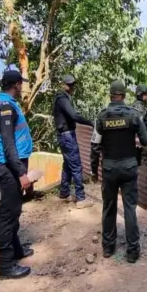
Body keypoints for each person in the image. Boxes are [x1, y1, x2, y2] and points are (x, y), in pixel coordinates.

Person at [91, 80, 147, 263]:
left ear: (111, 95)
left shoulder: (101, 117)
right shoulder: (133, 116)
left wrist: (94, 171)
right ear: (124, 95)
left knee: (109, 207)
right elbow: (146, 140)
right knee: (129, 208)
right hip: (128, 167)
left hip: (109, 169)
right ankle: (133, 251)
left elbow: (94, 147)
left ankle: (108, 248)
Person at [0, 70, 35, 279]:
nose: (22, 86)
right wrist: (21, 173)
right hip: (9, 168)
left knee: (14, 212)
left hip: (11, 166)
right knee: (8, 216)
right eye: (21, 84)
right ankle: (6, 265)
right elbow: (9, 146)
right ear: (16, 84)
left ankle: (17, 250)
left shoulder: (4, 104)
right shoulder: (6, 107)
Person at [53, 74, 94, 208]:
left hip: (64, 135)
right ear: (63, 84)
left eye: (73, 84)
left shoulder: (62, 98)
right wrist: (91, 123)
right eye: (69, 84)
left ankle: (64, 193)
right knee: (76, 165)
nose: (72, 87)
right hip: (67, 136)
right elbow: (74, 115)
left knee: (67, 165)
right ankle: (81, 199)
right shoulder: (62, 98)